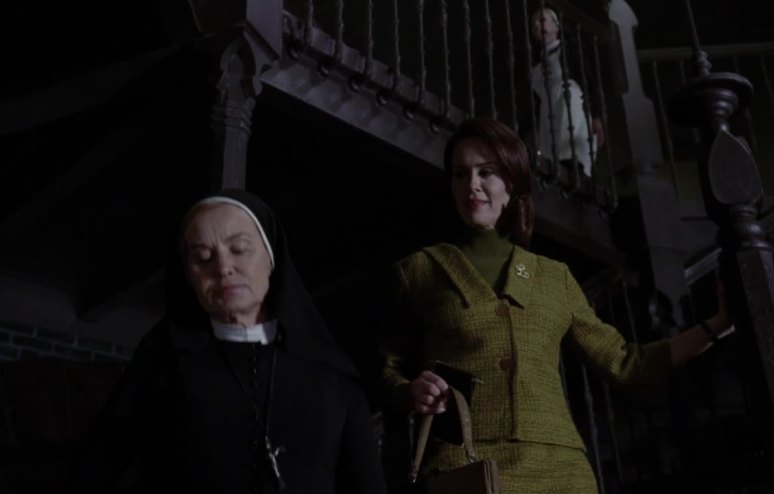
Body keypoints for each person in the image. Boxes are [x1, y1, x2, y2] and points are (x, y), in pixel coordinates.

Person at [380, 118, 732, 493]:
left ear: (511, 182)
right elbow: (386, 368)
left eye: (486, 172)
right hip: (466, 469)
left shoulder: (553, 277)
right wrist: (409, 389)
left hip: (562, 472)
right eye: (459, 174)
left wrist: (717, 325)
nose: (472, 185)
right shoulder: (420, 271)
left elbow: (626, 363)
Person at [71, 189, 388, 494]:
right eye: (203, 257)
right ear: (188, 275)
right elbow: (96, 471)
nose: (223, 268)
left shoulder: (332, 375)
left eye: (239, 249)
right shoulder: (163, 362)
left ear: (272, 257)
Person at [529, 7, 604, 177]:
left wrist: (597, 114)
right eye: (533, 25)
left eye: (542, 20)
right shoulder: (536, 65)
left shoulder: (570, 50)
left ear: (556, 27)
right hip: (548, 112)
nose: (537, 25)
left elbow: (588, 79)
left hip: (571, 104)